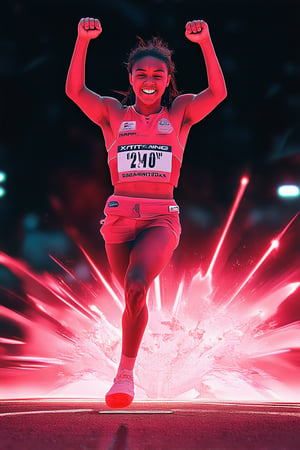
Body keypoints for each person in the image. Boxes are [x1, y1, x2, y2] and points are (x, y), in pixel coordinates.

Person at [66, 17, 227, 408]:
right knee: (131, 297)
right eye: (141, 74)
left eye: (158, 73)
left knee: (137, 284)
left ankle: (124, 376)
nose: (149, 80)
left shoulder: (179, 114)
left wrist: (205, 43)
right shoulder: (113, 114)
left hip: (160, 218)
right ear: (132, 77)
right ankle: (130, 363)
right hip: (118, 220)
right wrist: (81, 40)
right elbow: (75, 91)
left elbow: (218, 94)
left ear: (168, 77)